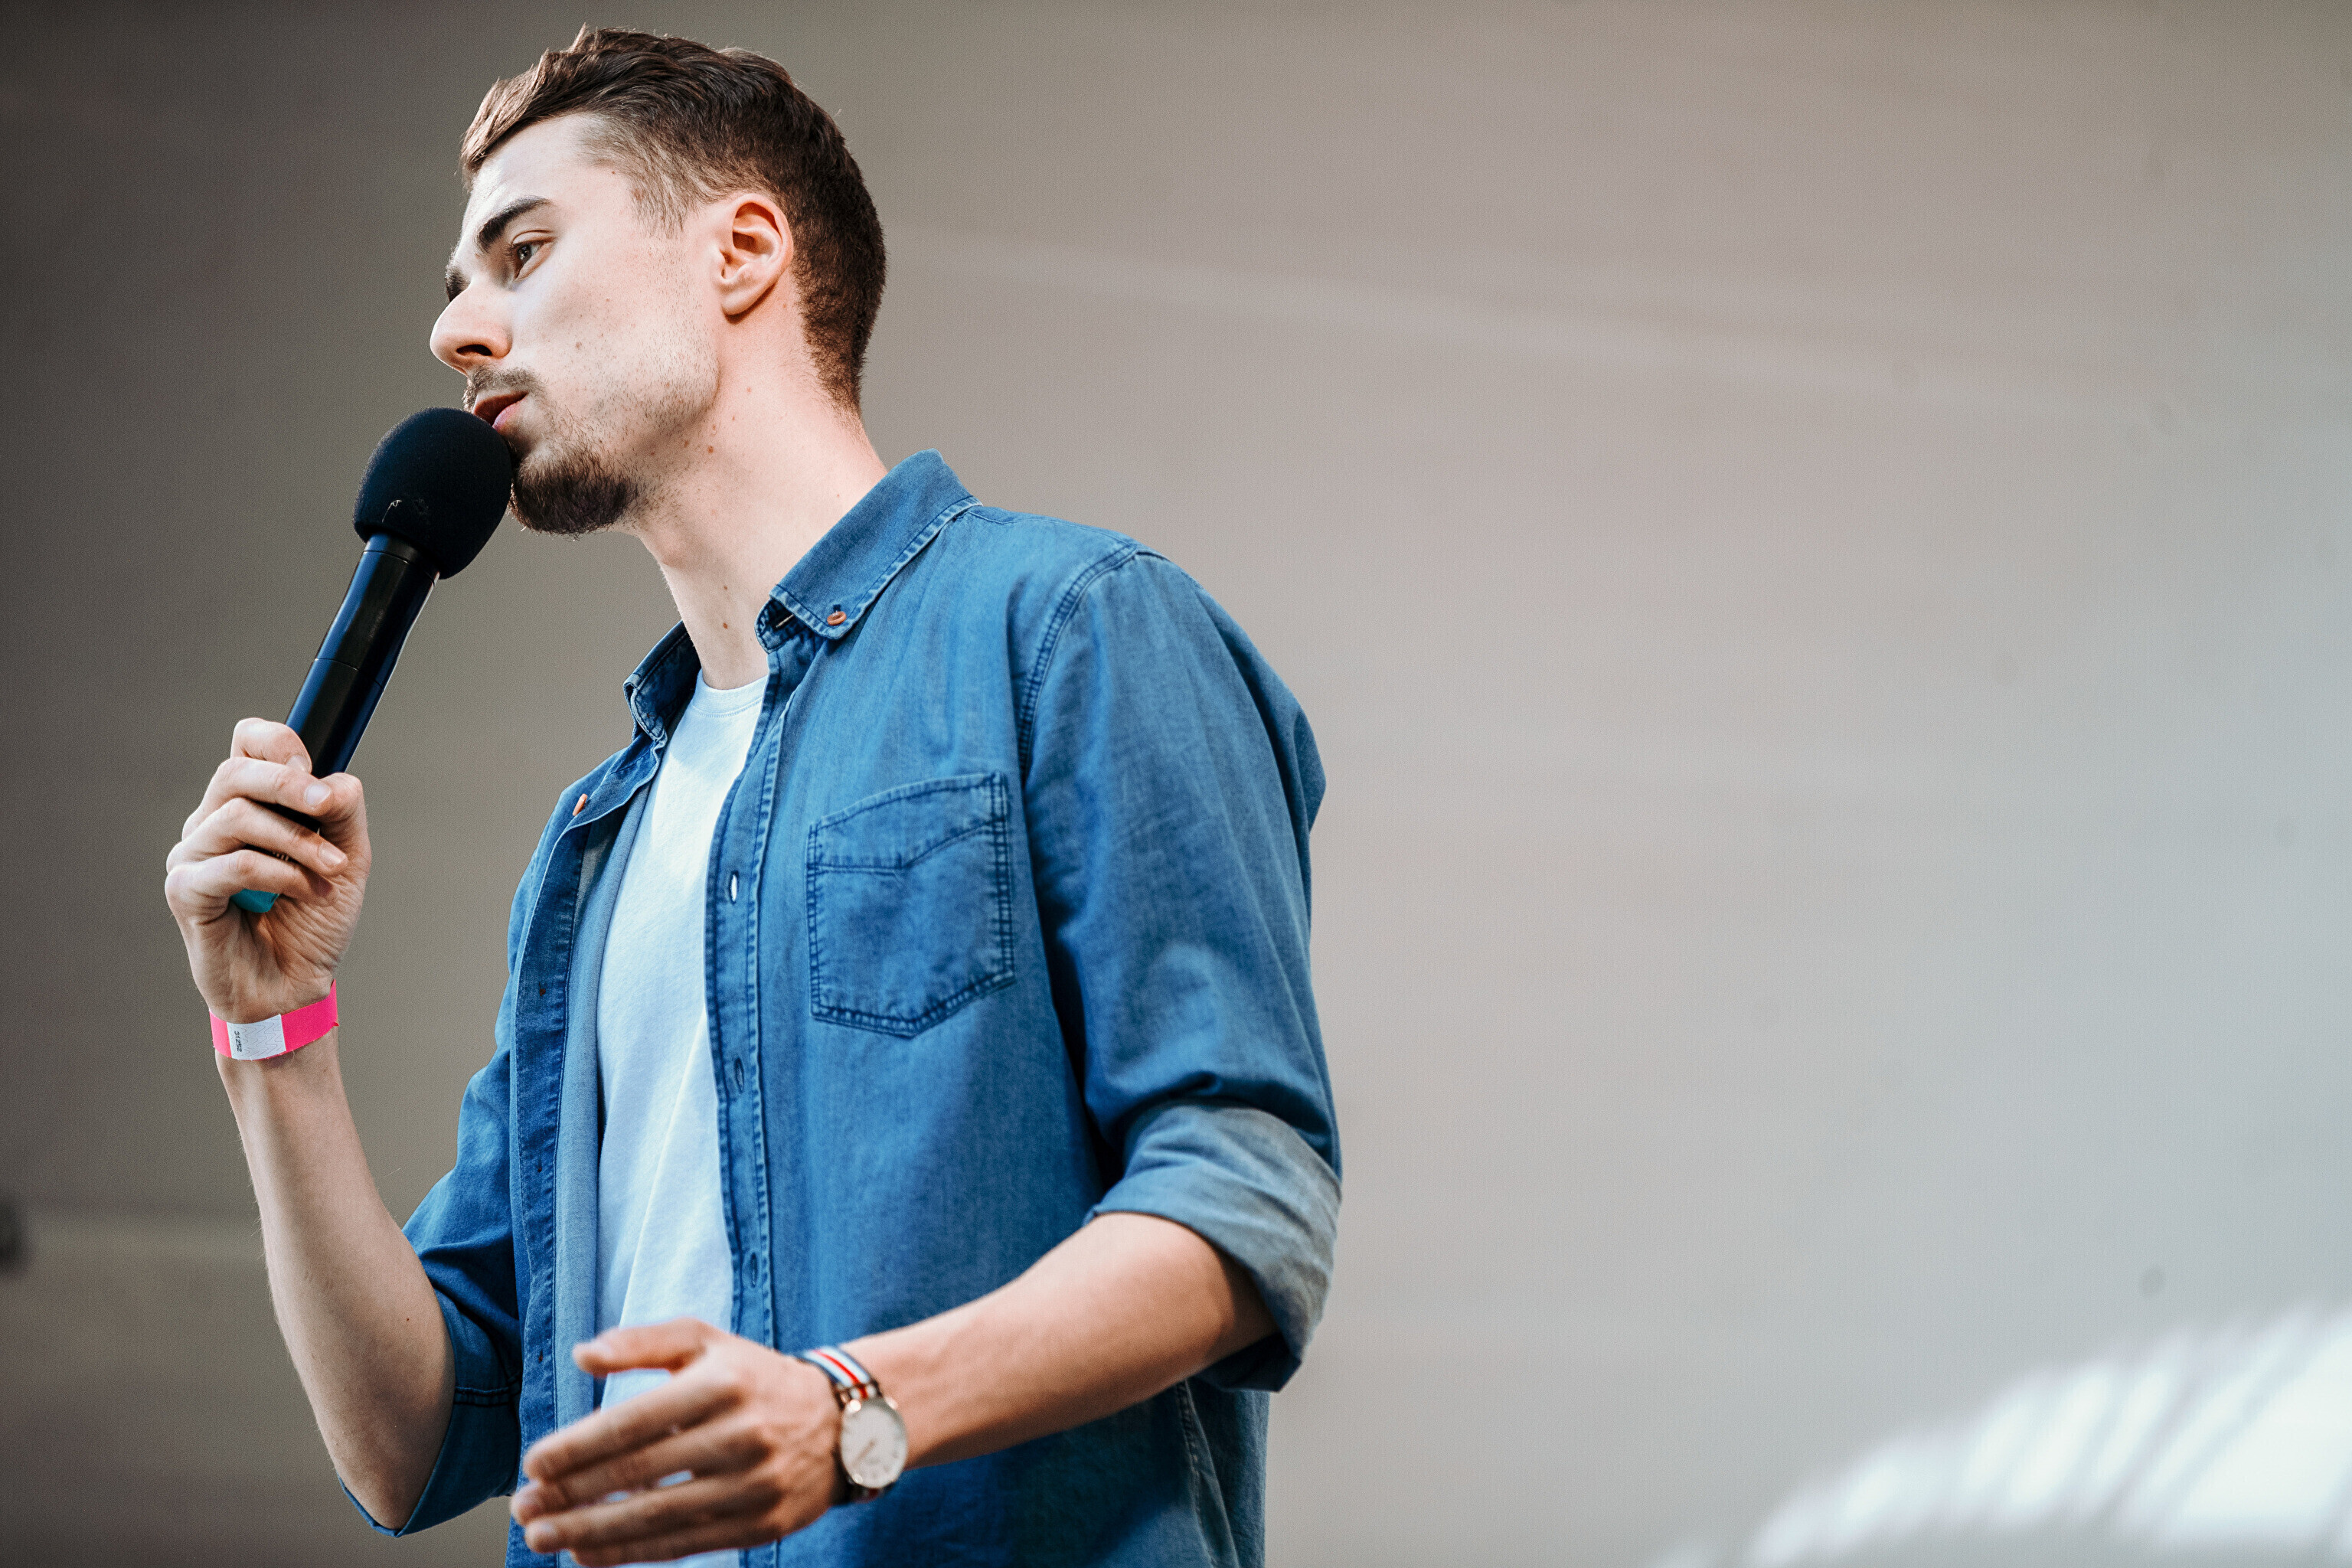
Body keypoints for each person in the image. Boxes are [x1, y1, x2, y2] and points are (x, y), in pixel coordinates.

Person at [162, 26, 1338, 1568]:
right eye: (457, 285)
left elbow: (1249, 1197)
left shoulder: (1071, 627)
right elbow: (411, 1440)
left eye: (522, 251)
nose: (457, 329)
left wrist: (850, 1409)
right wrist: (273, 1040)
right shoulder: (595, 847)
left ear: (742, 252)